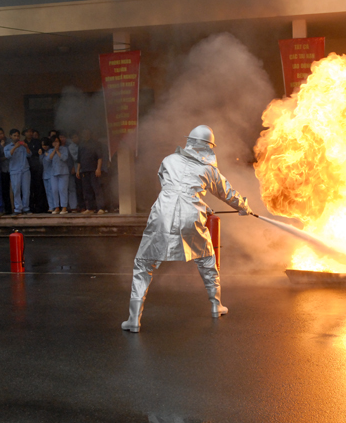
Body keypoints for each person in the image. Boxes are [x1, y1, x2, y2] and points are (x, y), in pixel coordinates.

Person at [121, 125, 252, 333]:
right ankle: (216, 305)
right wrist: (243, 207)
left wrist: (200, 204)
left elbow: (171, 188)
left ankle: (133, 319)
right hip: (192, 216)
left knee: (143, 264)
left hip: (162, 213)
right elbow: (226, 193)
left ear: (189, 141)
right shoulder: (209, 169)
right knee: (207, 260)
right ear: (209, 147)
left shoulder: (168, 160)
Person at [76, 129, 106, 214]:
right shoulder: (81, 145)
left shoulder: (95, 144)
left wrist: (98, 168)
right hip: (84, 170)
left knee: (97, 189)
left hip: (93, 170)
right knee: (86, 190)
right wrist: (78, 170)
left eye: (87, 133)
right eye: (84, 133)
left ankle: (101, 208)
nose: (85, 134)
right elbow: (79, 160)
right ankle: (90, 208)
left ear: (90, 134)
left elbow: (99, 157)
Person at [5, 129, 31, 215]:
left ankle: (26, 208)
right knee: (16, 190)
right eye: (14, 136)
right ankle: (18, 208)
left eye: (18, 136)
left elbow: (29, 154)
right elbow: (8, 155)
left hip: (25, 169)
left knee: (26, 190)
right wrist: (15, 147)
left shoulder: (23, 145)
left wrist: (26, 147)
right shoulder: (7, 147)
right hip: (14, 170)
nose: (16, 137)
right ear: (10, 136)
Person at [24, 128, 46, 213]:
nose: (30, 133)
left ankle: (39, 207)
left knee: (38, 188)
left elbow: (41, 152)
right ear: (24, 133)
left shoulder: (37, 142)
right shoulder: (23, 143)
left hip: (37, 167)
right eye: (28, 132)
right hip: (27, 168)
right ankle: (30, 207)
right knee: (28, 189)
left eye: (31, 132)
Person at [49, 136, 70, 214]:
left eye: (57, 141)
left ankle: (64, 207)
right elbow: (49, 158)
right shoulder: (51, 150)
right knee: (54, 190)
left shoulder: (64, 149)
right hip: (53, 173)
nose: (56, 143)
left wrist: (58, 151)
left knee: (62, 189)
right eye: (54, 142)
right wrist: (55, 150)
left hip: (63, 172)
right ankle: (56, 207)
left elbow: (64, 158)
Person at [0, 127, 13, 214]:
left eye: (1, 133)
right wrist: (2, 148)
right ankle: (8, 210)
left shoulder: (10, 141)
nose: (0, 136)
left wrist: (6, 155)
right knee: (5, 190)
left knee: (16, 189)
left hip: (13, 168)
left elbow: (12, 154)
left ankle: (18, 209)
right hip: (3, 169)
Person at [69, 131, 84, 212]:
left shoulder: (83, 144)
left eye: (76, 137)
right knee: (79, 189)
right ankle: (82, 206)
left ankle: (89, 206)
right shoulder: (71, 147)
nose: (75, 139)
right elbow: (76, 158)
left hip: (85, 169)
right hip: (78, 170)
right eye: (73, 137)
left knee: (86, 188)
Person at [39, 137, 55, 213]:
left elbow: (49, 159)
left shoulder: (51, 151)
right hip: (45, 174)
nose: (44, 146)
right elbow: (41, 162)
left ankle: (55, 206)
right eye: (42, 145)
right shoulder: (43, 152)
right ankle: (51, 206)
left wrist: (46, 154)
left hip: (51, 173)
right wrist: (41, 155)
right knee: (48, 191)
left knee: (52, 191)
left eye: (45, 145)